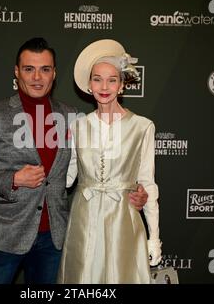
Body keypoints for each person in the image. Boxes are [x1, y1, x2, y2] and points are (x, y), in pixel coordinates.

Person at [0, 37, 149, 284]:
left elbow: (96, 166)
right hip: (4, 235)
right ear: (17, 72)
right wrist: (13, 179)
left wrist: (134, 191)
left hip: (54, 238)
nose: (37, 77)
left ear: (54, 74)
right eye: (29, 69)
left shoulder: (72, 117)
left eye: (45, 69)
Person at [58, 39, 162, 283]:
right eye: (97, 78)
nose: (104, 86)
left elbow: (148, 183)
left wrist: (153, 237)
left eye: (112, 79)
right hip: (84, 221)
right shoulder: (78, 126)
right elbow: (66, 177)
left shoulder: (142, 127)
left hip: (123, 220)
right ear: (88, 84)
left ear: (122, 84)